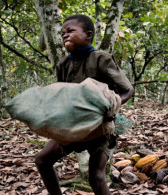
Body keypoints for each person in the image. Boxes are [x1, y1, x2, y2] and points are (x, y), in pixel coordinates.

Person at [35, 14, 134, 195]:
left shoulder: (100, 59)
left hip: (101, 129)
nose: (65, 35)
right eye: (63, 33)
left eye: (70, 31)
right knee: (42, 160)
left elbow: (128, 90)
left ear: (88, 35)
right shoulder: (63, 65)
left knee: (95, 176)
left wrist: (110, 105)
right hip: (75, 126)